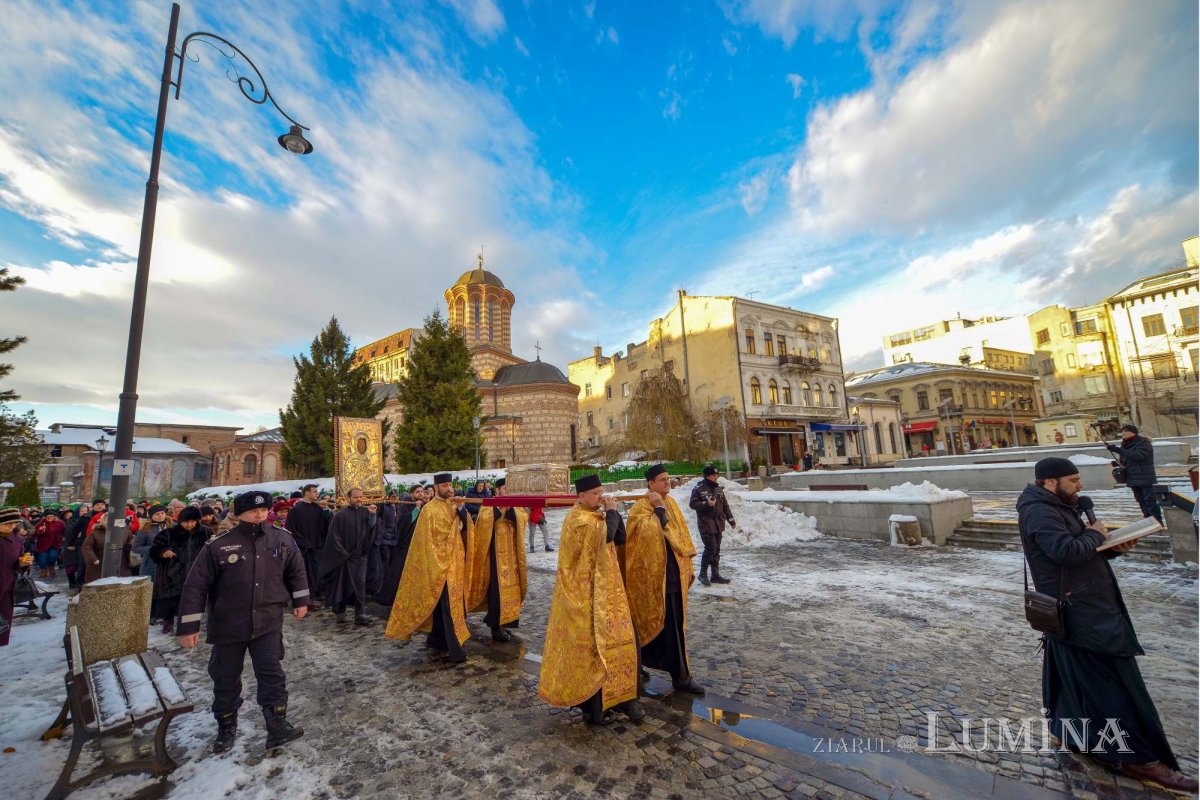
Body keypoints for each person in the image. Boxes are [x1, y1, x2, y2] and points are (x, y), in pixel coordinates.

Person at [1018, 457, 1196, 794]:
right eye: (1073, 480)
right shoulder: (1040, 511)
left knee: (1077, 679)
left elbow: (1076, 553)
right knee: (1114, 685)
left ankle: (1073, 732)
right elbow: (1065, 551)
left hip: (1081, 605)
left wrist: (1110, 547)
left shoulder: (1058, 505)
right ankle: (1139, 758)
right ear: (1050, 483)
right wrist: (1092, 533)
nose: (1080, 486)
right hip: (1080, 612)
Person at [177, 490, 309, 753]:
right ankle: (226, 727)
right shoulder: (219, 544)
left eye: (263, 510)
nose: (259, 514)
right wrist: (189, 625)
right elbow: (195, 586)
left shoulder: (281, 538)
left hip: (268, 621)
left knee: (271, 673)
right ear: (239, 513)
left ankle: (277, 725)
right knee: (225, 677)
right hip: (229, 623)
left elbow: (296, 570)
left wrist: (301, 600)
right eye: (253, 511)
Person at [539, 474, 644, 724]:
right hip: (588, 595)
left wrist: (612, 514)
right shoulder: (578, 520)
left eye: (601, 492)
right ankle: (596, 709)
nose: (600, 496)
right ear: (581, 496)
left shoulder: (596, 516)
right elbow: (604, 536)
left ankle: (625, 698)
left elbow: (618, 538)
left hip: (611, 592)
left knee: (625, 644)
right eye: (595, 493)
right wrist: (610, 513)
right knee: (596, 650)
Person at [624, 464, 704, 695]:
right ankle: (655, 670)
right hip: (654, 580)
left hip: (673, 575)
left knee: (675, 628)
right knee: (655, 626)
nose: (668, 482)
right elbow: (641, 537)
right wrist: (658, 511)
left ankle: (680, 675)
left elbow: (680, 535)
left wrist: (687, 563)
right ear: (651, 484)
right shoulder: (640, 507)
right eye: (662, 479)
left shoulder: (672, 504)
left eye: (669, 478)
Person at [385, 473, 472, 664]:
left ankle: (437, 641)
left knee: (446, 607)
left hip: (455, 564)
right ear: (436, 486)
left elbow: (466, 527)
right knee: (446, 607)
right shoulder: (429, 510)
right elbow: (425, 541)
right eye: (444, 486)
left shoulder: (453, 505)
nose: (449, 488)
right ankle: (455, 649)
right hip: (437, 565)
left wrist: (461, 509)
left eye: (450, 485)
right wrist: (439, 560)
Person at [465, 478, 527, 643]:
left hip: (511, 557)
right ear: (498, 490)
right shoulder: (489, 505)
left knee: (512, 592)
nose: (508, 491)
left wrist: (511, 512)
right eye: (506, 488)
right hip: (495, 557)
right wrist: (499, 511)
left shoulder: (516, 504)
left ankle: (507, 623)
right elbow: (483, 522)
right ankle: (495, 628)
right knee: (497, 593)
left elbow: (523, 519)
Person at [149, 506, 211, 635]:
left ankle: (189, 627)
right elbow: (154, 549)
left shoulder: (205, 532)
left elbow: (212, 549)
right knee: (170, 602)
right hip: (171, 574)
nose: (189, 525)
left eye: (193, 522)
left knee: (192, 602)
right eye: (186, 522)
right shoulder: (168, 533)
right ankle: (168, 621)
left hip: (195, 573)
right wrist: (163, 552)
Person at [318, 488, 375, 625]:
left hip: (359, 557)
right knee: (342, 585)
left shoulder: (366, 512)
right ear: (348, 498)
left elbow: (371, 528)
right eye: (356, 497)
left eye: (361, 497)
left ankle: (360, 614)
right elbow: (333, 536)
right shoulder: (340, 516)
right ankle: (340, 611)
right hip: (343, 557)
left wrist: (373, 515)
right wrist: (342, 552)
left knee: (360, 585)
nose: (359, 499)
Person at [688, 465, 735, 587]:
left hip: (718, 523)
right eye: (714, 475)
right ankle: (702, 574)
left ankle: (715, 575)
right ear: (707, 476)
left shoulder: (718, 489)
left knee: (716, 550)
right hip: (706, 524)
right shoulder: (699, 488)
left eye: (717, 475)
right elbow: (692, 504)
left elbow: (725, 506)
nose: (716, 477)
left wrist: (731, 520)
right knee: (710, 549)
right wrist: (705, 503)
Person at [1106, 424, 1162, 524]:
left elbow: (1138, 456)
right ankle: (1148, 522)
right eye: (1122, 431)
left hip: (1145, 477)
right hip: (1132, 477)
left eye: (1126, 431)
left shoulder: (1143, 443)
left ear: (1134, 432)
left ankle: (1157, 522)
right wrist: (1118, 462)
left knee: (1150, 501)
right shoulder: (1126, 444)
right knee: (1141, 501)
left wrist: (1118, 450)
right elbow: (1128, 458)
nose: (1123, 433)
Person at [285, 484, 328, 608]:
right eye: (314, 491)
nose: (317, 494)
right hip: (302, 549)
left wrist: (326, 511)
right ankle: (302, 600)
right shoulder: (296, 510)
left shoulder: (318, 508)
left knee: (315, 573)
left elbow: (325, 526)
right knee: (302, 575)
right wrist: (304, 543)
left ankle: (312, 597)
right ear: (307, 492)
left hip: (316, 547)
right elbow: (290, 529)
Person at [1, 508, 32, 647]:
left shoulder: (17, 540)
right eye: (7, 524)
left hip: (6, 588)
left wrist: (23, 564)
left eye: (14, 523)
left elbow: (18, 564)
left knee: (3, 626)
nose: (12, 527)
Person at [33, 509, 65, 579]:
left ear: (54, 516)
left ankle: (51, 566)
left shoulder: (60, 523)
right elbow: (35, 534)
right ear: (45, 517)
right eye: (48, 516)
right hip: (43, 544)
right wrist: (40, 530)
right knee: (43, 558)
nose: (50, 518)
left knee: (53, 556)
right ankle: (43, 570)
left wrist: (62, 538)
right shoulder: (40, 523)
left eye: (52, 516)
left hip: (55, 543)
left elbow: (64, 532)